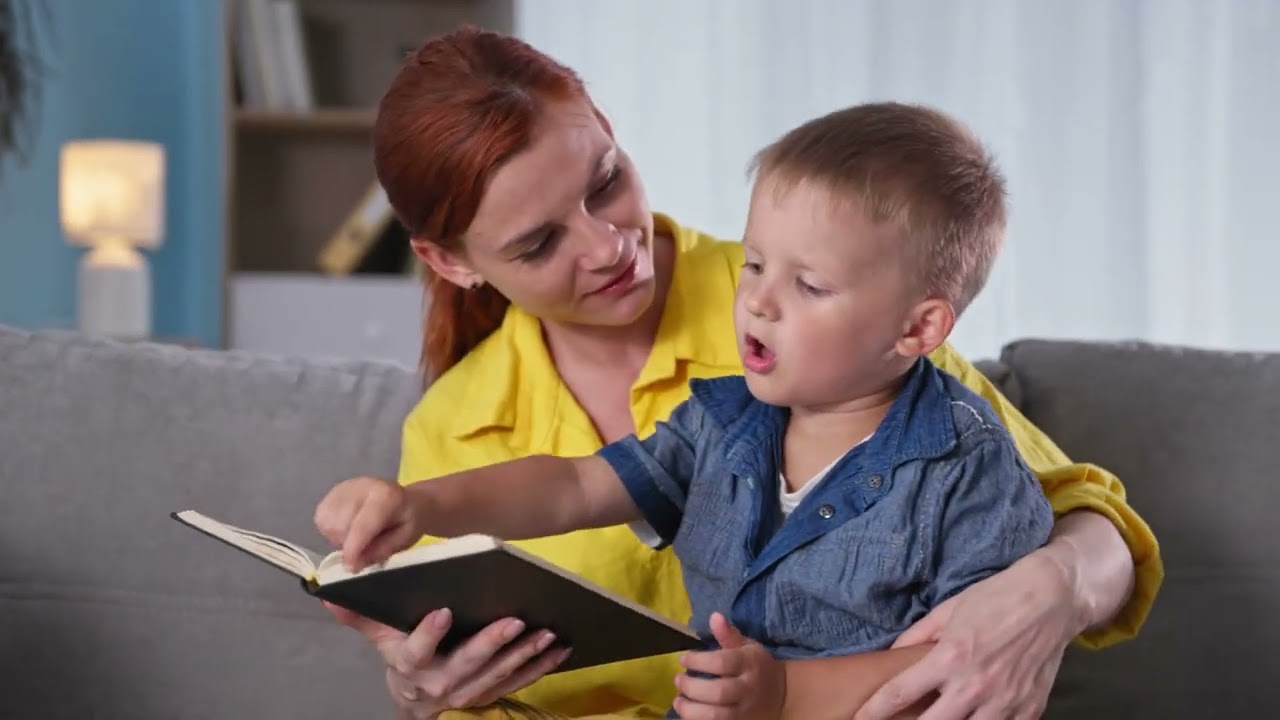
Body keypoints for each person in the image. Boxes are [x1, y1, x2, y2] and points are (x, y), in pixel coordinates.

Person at [319, 26, 1162, 720]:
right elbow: (574, 490)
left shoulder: (845, 309)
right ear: (448, 262)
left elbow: (1080, 522)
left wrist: (1052, 587)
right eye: (538, 244)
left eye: (605, 183)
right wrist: (419, 683)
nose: (609, 246)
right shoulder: (469, 425)